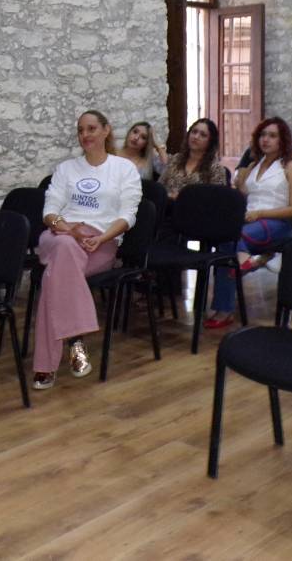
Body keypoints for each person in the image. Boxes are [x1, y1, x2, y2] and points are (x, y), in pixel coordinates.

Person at [34, 110, 141, 389]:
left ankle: (47, 364)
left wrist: (102, 237)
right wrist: (69, 229)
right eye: (81, 130)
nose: (85, 135)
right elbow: (49, 212)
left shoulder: (124, 168)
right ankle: (75, 339)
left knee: (53, 278)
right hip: (60, 236)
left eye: (91, 128)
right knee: (64, 247)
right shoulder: (66, 169)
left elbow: (129, 215)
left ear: (106, 130)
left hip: (100, 244)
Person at [206, 117, 292, 328]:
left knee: (233, 240)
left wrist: (260, 213)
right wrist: (240, 182)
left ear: (282, 140)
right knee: (225, 243)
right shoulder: (253, 165)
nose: (266, 140)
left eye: (272, 136)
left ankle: (241, 270)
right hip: (251, 220)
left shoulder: (291, 167)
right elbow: (245, 195)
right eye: (262, 135)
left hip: (277, 221)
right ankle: (244, 269)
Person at [159, 118, 228, 199]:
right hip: (169, 207)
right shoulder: (176, 159)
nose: (196, 137)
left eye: (203, 135)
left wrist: (183, 198)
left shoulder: (216, 169)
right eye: (194, 132)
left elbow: (217, 199)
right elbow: (160, 187)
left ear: (210, 142)